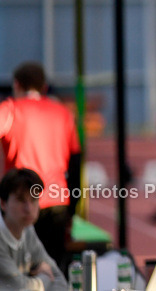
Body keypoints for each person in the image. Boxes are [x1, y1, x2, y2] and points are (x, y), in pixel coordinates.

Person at [0, 62, 81, 272]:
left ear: (16, 85)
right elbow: (75, 162)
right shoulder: (63, 113)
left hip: (22, 201)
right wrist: (73, 208)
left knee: (19, 267)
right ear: (44, 87)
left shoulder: (10, 109)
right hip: (57, 199)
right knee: (53, 267)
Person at [0, 168, 69, 291]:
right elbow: (20, 287)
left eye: (34, 200)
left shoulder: (27, 229)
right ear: (3, 204)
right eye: (21, 200)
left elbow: (59, 279)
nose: (29, 208)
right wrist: (45, 277)